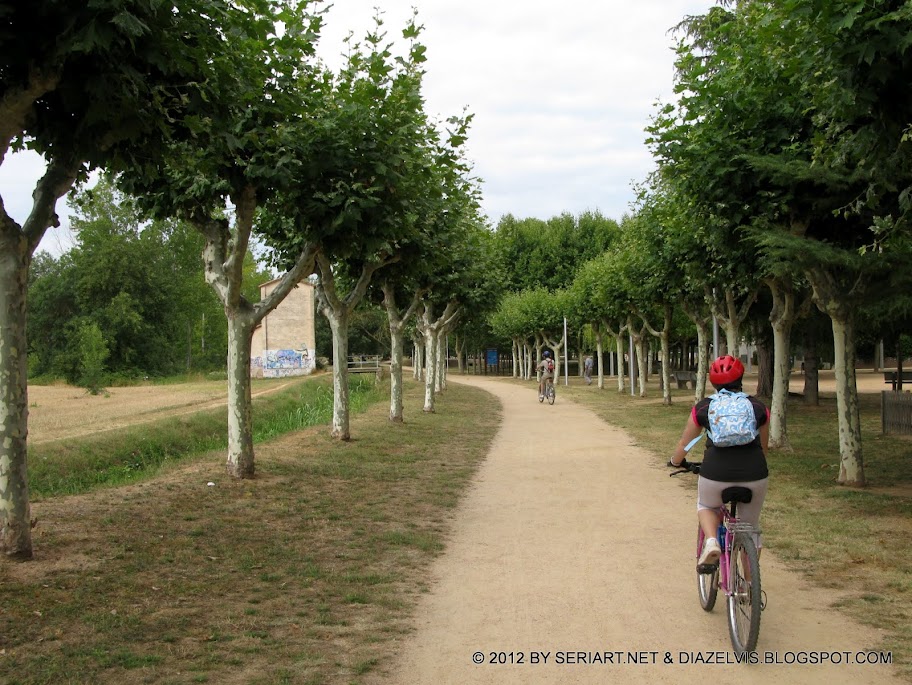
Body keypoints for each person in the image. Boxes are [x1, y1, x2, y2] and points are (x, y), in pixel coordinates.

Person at [669, 355, 770, 566]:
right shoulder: (759, 407)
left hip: (716, 473)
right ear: (741, 378)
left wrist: (676, 461)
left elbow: (686, 443)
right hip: (754, 473)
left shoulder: (703, 408)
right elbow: (763, 448)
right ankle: (750, 583)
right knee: (750, 528)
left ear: (713, 382)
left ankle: (712, 541)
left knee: (706, 505)